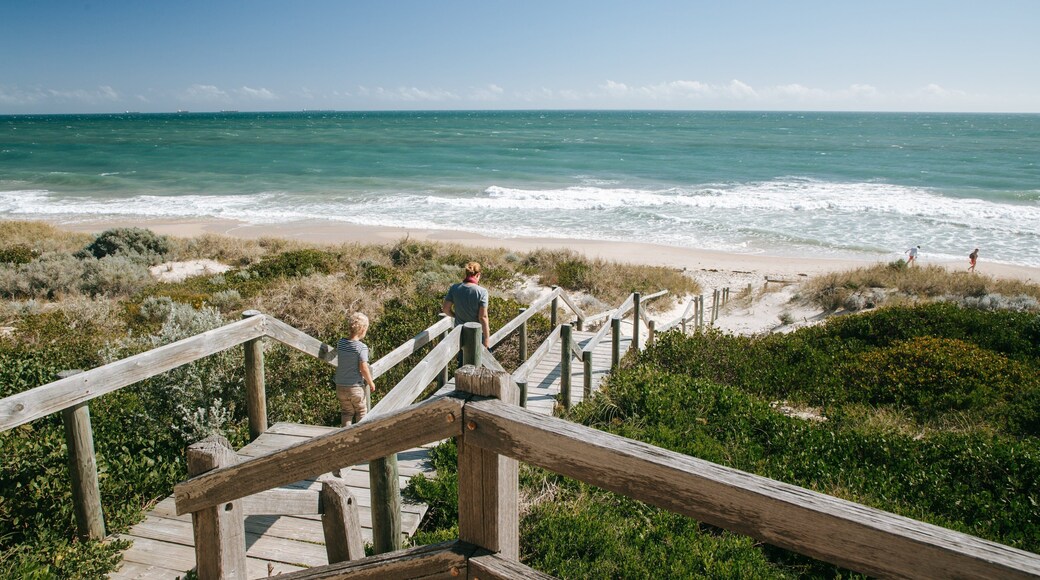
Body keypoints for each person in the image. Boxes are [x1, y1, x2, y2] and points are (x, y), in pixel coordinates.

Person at [335, 312, 376, 426]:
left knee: (346, 412)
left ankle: (345, 435)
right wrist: (370, 382)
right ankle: (360, 436)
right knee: (361, 411)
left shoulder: (341, 343)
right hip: (355, 387)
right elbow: (363, 367)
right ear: (363, 329)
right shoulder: (361, 347)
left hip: (340, 385)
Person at [442, 261, 490, 349]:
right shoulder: (482, 292)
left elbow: (445, 309)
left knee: (462, 359)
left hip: (460, 332)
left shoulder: (454, 288)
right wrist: (486, 339)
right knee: (478, 360)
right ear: (478, 274)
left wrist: (456, 316)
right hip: (477, 334)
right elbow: (483, 317)